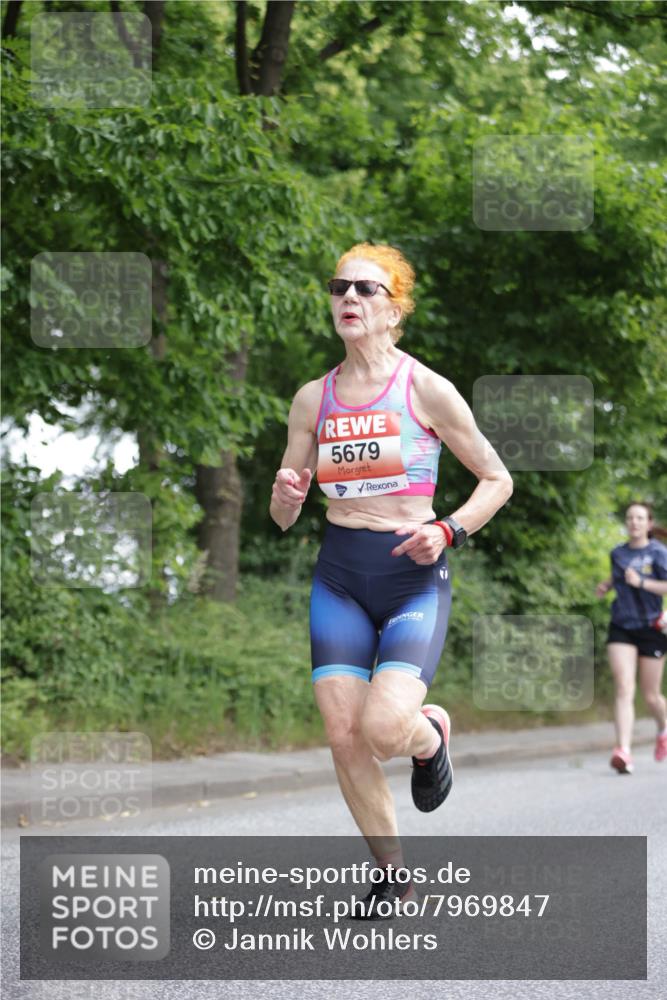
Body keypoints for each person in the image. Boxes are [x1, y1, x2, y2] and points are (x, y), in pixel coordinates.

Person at [270, 243, 513, 915]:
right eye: (339, 287)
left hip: (411, 575)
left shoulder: (425, 389)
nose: (348, 297)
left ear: (393, 310)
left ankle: (427, 732)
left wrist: (447, 529)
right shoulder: (311, 399)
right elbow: (284, 511)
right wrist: (287, 496)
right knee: (343, 735)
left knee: (383, 731)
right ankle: (393, 873)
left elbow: (498, 480)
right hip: (340, 578)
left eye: (366, 290)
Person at [596, 501, 667, 774]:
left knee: (651, 696)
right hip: (622, 626)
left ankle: (662, 728)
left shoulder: (658, 553)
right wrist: (608, 584)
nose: (634, 522)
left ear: (649, 524)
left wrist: (642, 583)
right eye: (630, 518)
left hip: (651, 628)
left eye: (639, 518)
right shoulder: (618, 553)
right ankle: (623, 750)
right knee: (624, 688)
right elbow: (618, 576)